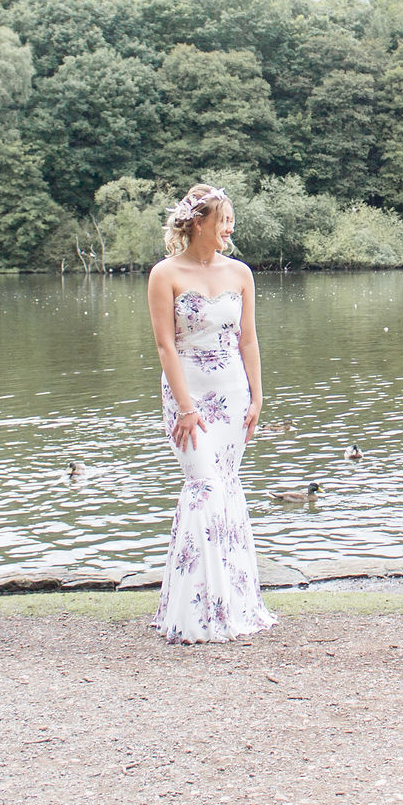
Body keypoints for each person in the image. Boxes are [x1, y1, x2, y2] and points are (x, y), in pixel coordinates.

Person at [146, 182, 277, 644]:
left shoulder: (241, 273)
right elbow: (165, 344)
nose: (230, 228)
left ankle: (233, 604)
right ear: (198, 222)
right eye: (223, 220)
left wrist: (258, 397)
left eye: (231, 221)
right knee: (203, 487)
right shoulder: (165, 274)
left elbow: (248, 340)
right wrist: (184, 407)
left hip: (234, 395)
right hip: (188, 395)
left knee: (226, 489)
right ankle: (191, 612)